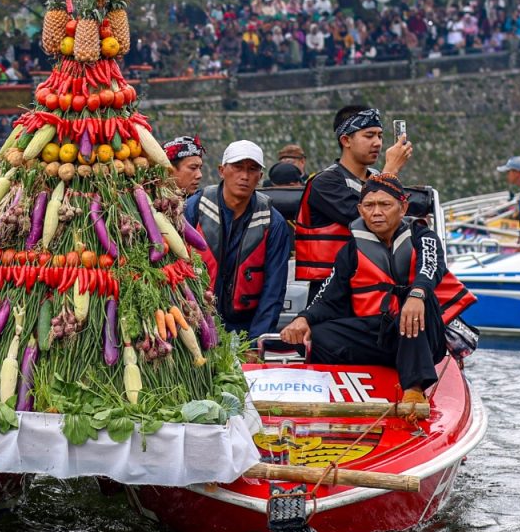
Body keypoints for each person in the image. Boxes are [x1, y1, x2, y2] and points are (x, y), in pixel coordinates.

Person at [280, 174, 476, 404]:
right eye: (370, 206)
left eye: (385, 205)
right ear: (360, 210)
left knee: (411, 303)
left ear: (402, 208)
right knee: (320, 334)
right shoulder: (351, 250)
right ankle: (334, 389)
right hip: (379, 335)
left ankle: (414, 389)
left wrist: (417, 294)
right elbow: (328, 296)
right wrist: (304, 319)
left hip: (422, 336)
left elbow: (431, 267)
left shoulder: (423, 236)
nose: (376, 212)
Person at [295, 106, 411, 296]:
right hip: (333, 291)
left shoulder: (376, 178)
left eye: (380, 136)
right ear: (346, 140)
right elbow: (373, 221)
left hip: (375, 286)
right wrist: (390, 171)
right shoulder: (324, 182)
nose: (377, 143)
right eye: (369, 135)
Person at [184, 140, 293, 342]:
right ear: (221, 170)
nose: (244, 176)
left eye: (252, 169)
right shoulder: (193, 209)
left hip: (244, 327)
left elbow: (274, 288)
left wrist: (256, 341)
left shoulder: (274, 222)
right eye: (237, 167)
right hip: (194, 321)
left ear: (260, 177)